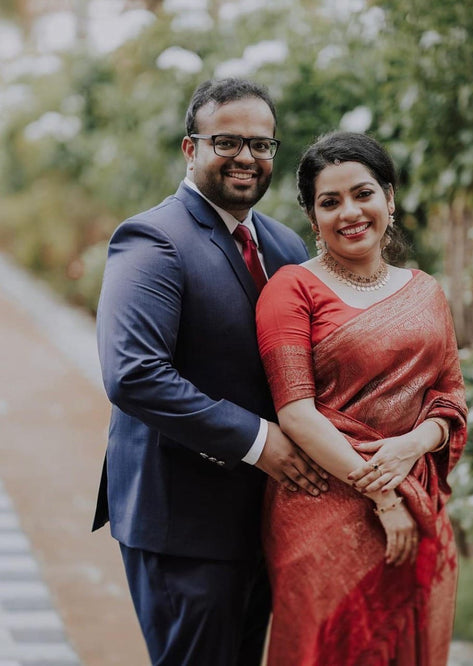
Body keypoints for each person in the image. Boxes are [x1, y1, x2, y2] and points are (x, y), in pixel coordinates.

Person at [92, 78, 329, 666]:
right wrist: (257, 441)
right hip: (184, 520)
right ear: (189, 147)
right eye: (227, 140)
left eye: (262, 144)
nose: (247, 156)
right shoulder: (153, 238)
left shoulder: (285, 246)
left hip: (268, 518)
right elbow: (134, 373)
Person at [255, 131, 468, 666]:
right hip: (322, 508)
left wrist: (410, 446)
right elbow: (296, 413)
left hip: (414, 497)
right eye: (330, 202)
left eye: (363, 193)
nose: (350, 212)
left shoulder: (425, 291)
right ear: (313, 217)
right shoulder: (291, 288)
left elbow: (450, 396)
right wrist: (384, 498)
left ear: (389, 200)